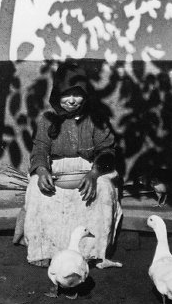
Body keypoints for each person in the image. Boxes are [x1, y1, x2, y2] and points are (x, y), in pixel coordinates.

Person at [13, 62, 123, 269]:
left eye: (77, 94)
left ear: (85, 95)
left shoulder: (96, 119)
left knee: (104, 189)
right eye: (66, 95)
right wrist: (42, 169)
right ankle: (44, 250)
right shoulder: (47, 120)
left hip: (91, 170)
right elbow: (39, 150)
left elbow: (107, 151)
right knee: (36, 189)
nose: (71, 101)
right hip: (57, 171)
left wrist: (94, 173)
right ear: (56, 95)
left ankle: (92, 252)